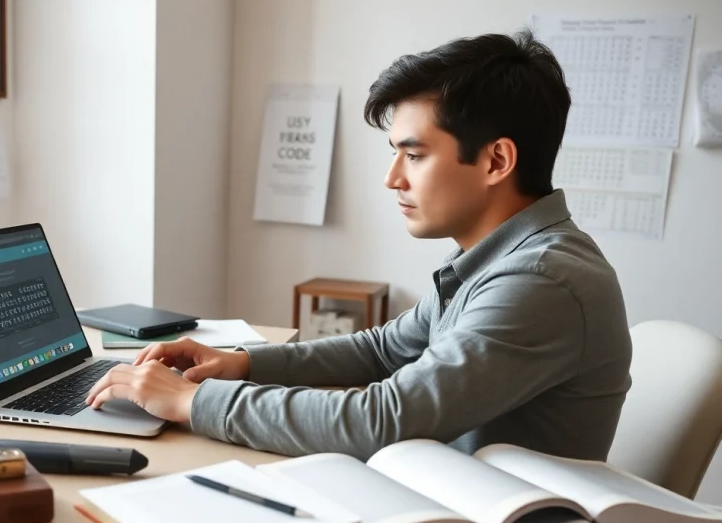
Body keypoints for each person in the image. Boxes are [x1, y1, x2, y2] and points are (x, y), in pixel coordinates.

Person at [85, 29, 632, 462]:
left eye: (414, 155)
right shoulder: (496, 260)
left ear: (496, 161)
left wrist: (192, 400)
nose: (392, 178)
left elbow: (383, 419)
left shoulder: (541, 281)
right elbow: (383, 351)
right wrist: (242, 364)